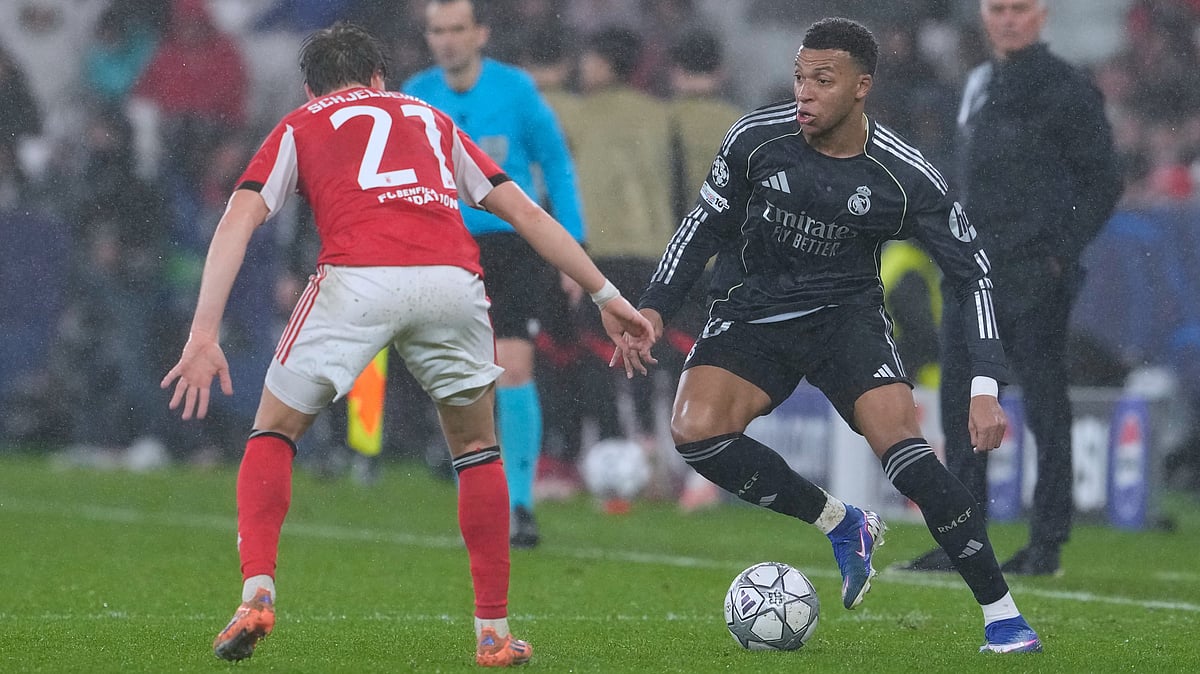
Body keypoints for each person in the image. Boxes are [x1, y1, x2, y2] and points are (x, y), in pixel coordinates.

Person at [160, 22, 655, 665]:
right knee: (477, 449)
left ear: (311, 88)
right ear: (378, 81)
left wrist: (203, 333)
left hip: (357, 279)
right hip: (453, 278)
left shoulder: (302, 122)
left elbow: (240, 216)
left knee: (274, 433)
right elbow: (526, 211)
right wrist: (605, 294)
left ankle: (256, 591)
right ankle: (494, 633)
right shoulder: (427, 115)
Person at [634, 17, 1042, 653]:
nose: (804, 92)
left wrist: (985, 384)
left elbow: (973, 273)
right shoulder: (753, 140)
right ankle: (841, 522)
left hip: (844, 322)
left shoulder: (903, 176)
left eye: (822, 80)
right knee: (695, 431)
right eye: (800, 77)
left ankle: (1004, 617)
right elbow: (703, 227)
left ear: (861, 88)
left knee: (906, 453)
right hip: (753, 313)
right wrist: (654, 306)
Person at [900, 0, 1121, 576]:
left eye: (1020, 8)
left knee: (1044, 402)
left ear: (1042, 14)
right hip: (969, 272)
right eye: (998, 8)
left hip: (1031, 274)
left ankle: (1046, 542)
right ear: (983, 13)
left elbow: (1104, 179)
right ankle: (965, 541)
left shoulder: (1067, 88)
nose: (1008, 19)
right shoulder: (977, 81)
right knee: (958, 404)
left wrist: (1057, 253)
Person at [403, 0, 588, 548]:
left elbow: (555, 162)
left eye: (458, 29)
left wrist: (571, 246)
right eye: (438, 31)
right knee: (464, 376)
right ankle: (481, 495)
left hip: (511, 248)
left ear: (480, 33)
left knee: (513, 367)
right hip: (444, 247)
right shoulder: (417, 95)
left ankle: (522, 505)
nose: (448, 40)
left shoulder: (516, 91)